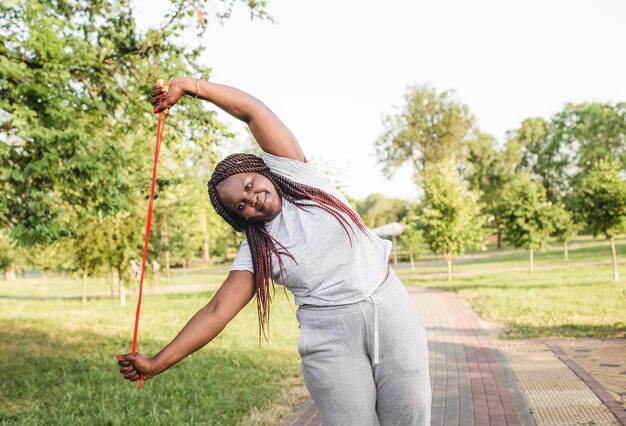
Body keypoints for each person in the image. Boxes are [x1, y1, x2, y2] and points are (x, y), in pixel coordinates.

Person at [118, 77, 431, 425]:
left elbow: (253, 112)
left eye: (249, 186)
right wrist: (156, 363)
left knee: (410, 419)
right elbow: (216, 312)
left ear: (263, 172)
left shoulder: (298, 174)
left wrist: (191, 87)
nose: (250, 199)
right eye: (241, 206)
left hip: (388, 311)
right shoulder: (257, 248)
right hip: (330, 339)